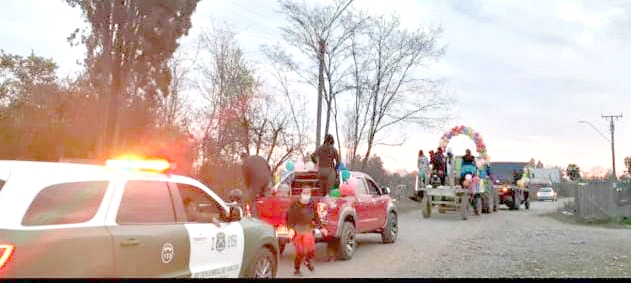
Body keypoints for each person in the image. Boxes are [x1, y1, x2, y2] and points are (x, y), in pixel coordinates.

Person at [287, 187, 325, 276]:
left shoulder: (312, 204)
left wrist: (321, 227)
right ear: (301, 194)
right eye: (305, 193)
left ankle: (307, 261)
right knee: (300, 252)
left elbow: (316, 217)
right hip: (297, 230)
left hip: (307, 229)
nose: (306, 196)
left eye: (308, 193)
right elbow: (289, 218)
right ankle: (297, 269)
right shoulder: (295, 205)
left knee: (311, 250)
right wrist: (290, 229)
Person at [241, 153, 274, 217]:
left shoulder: (245, 163)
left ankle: (254, 217)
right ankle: (267, 215)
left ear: (243, 158)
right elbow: (268, 167)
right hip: (267, 178)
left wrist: (248, 187)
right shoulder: (258, 157)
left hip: (257, 180)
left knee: (252, 199)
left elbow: (246, 178)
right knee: (265, 199)